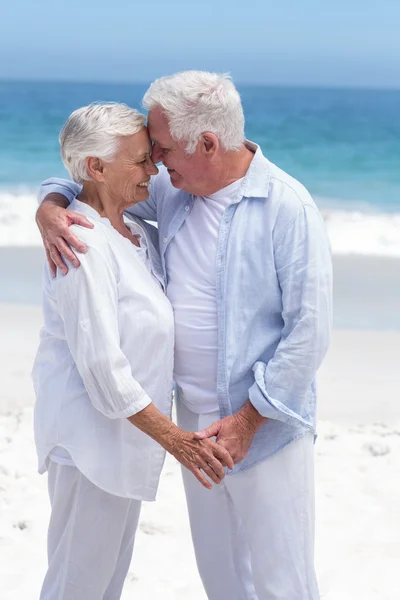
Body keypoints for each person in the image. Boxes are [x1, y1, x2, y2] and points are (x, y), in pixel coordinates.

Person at [37, 71, 333, 600]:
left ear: (208, 144)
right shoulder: (175, 191)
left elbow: (309, 333)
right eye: (150, 153)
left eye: (163, 149)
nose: (156, 164)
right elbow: (95, 186)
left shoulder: (288, 207)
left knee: (281, 581)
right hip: (195, 425)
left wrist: (247, 421)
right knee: (221, 578)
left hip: (261, 425)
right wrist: (50, 207)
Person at [32, 101, 233, 600]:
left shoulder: (139, 235)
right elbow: (103, 368)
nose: (154, 169)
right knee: (76, 587)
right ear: (96, 168)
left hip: (125, 440)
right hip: (89, 443)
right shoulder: (80, 244)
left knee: (106, 586)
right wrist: (179, 440)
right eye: (141, 160)